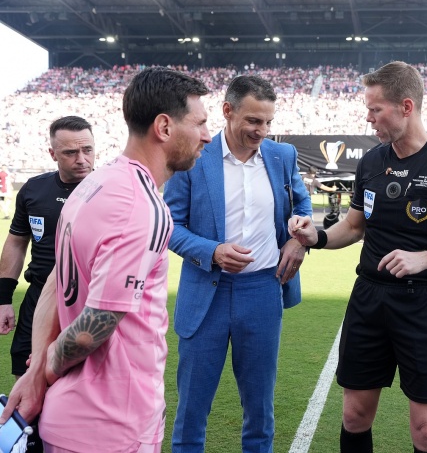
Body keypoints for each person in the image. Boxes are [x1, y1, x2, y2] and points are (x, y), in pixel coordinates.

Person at [0, 66, 212, 453]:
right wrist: (43, 372)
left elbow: (54, 283)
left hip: (73, 419)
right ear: (164, 127)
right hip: (112, 424)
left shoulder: (95, 184)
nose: (207, 135)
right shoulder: (140, 205)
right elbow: (89, 331)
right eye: (199, 123)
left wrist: (37, 367)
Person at [289, 61, 427, 453]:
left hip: (424, 303)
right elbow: (353, 227)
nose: (368, 118)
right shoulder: (371, 162)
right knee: (354, 416)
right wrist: (316, 236)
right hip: (369, 299)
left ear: (406, 106)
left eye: (375, 109)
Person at [164, 75, 312, 453]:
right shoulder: (193, 156)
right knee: (192, 408)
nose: (262, 130)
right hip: (206, 293)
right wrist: (212, 251)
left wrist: (298, 238)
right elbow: (170, 226)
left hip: (262, 290)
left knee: (260, 410)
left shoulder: (282, 156)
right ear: (227, 111)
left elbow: (302, 205)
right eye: (253, 121)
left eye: (268, 122)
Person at [0, 116, 95, 452]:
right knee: (27, 383)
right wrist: (3, 298)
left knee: (81, 389)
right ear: (52, 153)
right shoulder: (33, 190)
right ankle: (28, 443)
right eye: (70, 152)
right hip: (37, 299)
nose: (81, 159)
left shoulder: (108, 190)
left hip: (86, 304)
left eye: (87, 150)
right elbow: (16, 242)